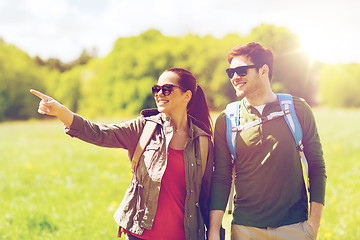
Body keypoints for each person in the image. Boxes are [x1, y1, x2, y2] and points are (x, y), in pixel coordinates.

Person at [30, 68, 214, 240]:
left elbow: (206, 197)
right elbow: (100, 133)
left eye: (166, 89)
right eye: (156, 88)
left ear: (187, 96)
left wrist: (214, 232)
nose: (159, 94)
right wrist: (62, 112)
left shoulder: (203, 141)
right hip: (140, 234)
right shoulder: (144, 127)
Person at [208, 42, 326, 240]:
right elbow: (222, 176)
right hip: (245, 229)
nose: (235, 77)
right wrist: (214, 230)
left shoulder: (298, 110)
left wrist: (313, 224)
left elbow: (317, 166)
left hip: (294, 227)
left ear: (263, 71)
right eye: (231, 72)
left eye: (241, 71)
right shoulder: (226, 120)